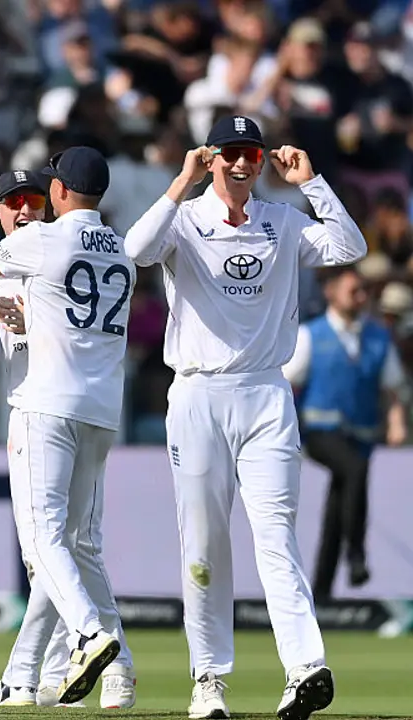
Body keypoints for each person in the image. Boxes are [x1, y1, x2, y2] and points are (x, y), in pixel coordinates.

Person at [123, 115, 367, 720]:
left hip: (266, 395)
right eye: (229, 154)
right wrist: (180, 183)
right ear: (211, 158)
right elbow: (135, 251)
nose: (240, 165)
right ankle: (208, 679)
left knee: (276, 536)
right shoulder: (184, 218)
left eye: (250, 157)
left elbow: (349, 246)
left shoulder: (283, 221)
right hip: (199, 394)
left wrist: (311, 183)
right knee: (204, 544)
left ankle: (306, 668)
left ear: (262, 163)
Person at [0, 150, 136, 708]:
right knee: (73, 545)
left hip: (46, 404)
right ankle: (50, 676)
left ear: (62, 192)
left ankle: (92, 637)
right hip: (101, 408)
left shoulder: (43, 238)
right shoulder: (121, 247)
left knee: (43, 542)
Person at [282, 266, 408, 598]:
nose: (361, 298)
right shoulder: (312, 335)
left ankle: (323, 589)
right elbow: (285, 382)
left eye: (363, 291)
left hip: (361, 435)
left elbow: (392, 388)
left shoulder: (378, 337)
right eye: (353, 291)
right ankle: (356, 554)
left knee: (340, 502)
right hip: (320, 431)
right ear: (331, 293)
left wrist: (397, 422)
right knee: (353, 469)